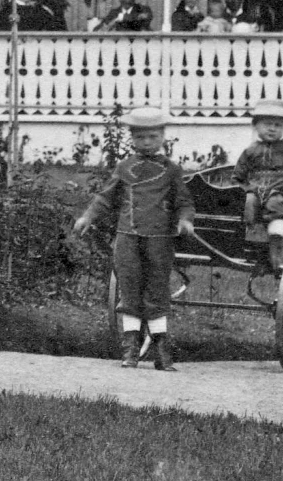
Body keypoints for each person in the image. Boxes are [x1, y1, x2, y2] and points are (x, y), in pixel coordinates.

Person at [72, 106, 196, 371]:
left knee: (156, 290)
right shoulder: (125, 168)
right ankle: (130, 351)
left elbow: (184, 202)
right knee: (128, 289)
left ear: (162, 136)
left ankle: (162, 352)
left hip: (159, 239)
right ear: (132, 137)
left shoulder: (172, 170)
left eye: (152, 137)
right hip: (128, 237)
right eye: (140, 137)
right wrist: (88, 217)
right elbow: (106, 197)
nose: (147, 142)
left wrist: (185, 220)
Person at [235, 100, 283, 254]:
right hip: (254, 192)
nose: (272, 129)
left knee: (275, 203)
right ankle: (248, 229)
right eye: (267, 124)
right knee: (248, 201)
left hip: (279, 191)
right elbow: (238, 175)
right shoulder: (251, 150)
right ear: (256, 126)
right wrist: (243, 188)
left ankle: (276, 237)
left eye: (278, 125)